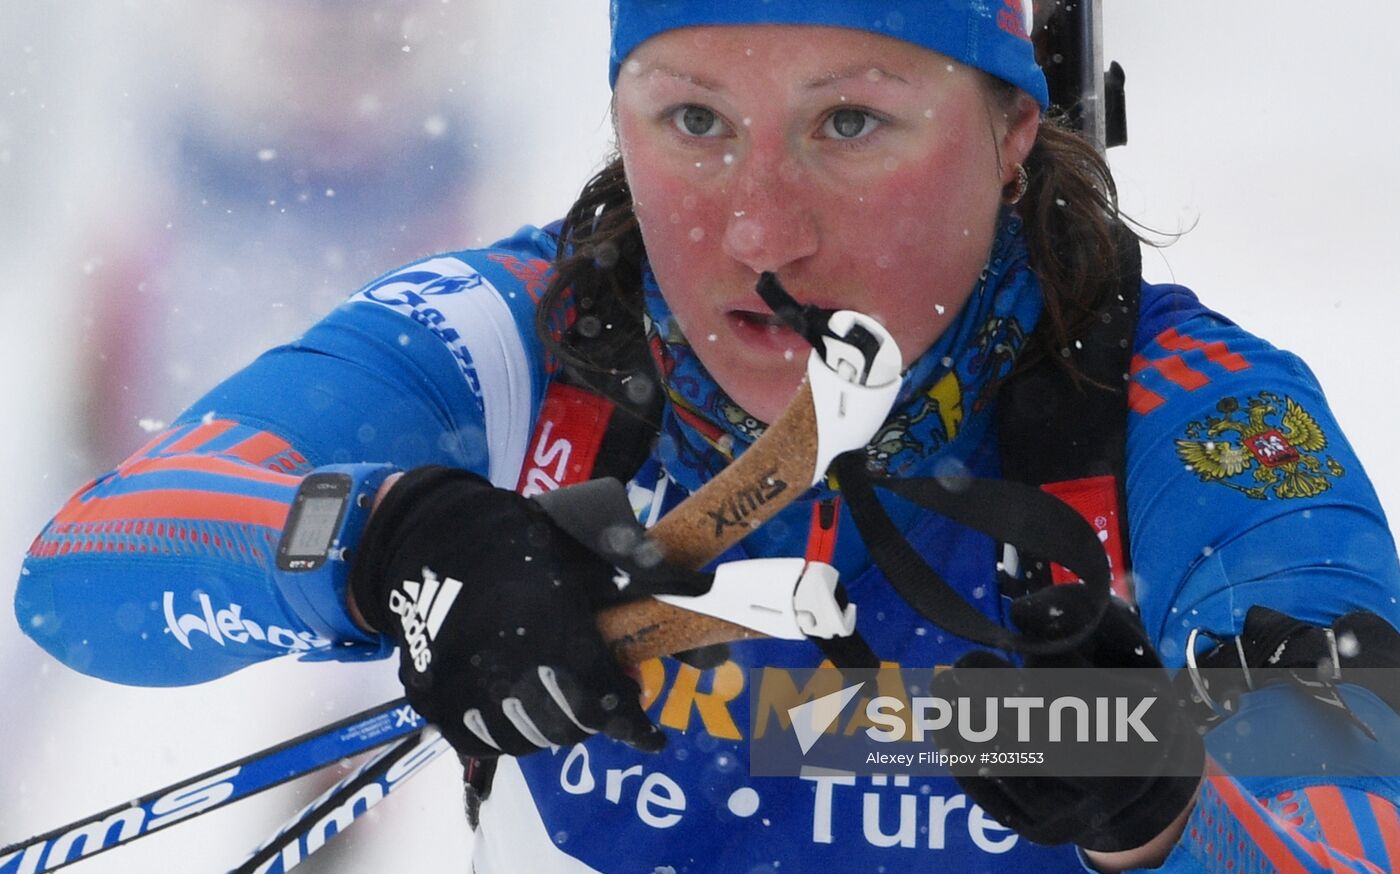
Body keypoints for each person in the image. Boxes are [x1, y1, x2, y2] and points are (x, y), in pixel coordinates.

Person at [15, 2, 1400, 872]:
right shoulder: (541, 341)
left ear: (1011, 131)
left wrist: (1155, 807)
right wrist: (394, 543)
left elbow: (1368, 796)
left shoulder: (1186, 409)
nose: (760, 230)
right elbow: (90, 569)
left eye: (850, 121)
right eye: (694, 121)